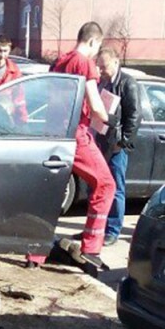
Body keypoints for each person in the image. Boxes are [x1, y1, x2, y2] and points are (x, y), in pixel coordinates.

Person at [49, 22, 116, 274]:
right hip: (77, 133)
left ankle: (36, 251)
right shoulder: (84, 63)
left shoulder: (61, 61)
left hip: (57, 131)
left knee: (52, 189)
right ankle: (91, 248)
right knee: (106, 184)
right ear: (92, 42)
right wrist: (110, 119)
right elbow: (96, 105)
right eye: (98, 47)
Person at [93, 47, 141, 245]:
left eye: (104, 67)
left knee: (116, 188)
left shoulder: (128, 83)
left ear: (115, 62)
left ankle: (113, 229)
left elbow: (134, 116)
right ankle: (97, 228)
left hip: (116, 145)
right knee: (98, 187)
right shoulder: (102, 82)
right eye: (99, 67)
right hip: (101, 140)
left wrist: (123, 142)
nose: (101, 70)